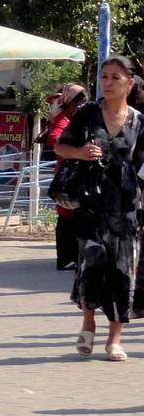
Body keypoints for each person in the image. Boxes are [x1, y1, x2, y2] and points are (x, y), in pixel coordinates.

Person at [55, 56, 144, 362]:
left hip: (127, 209)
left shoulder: (139, 122)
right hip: (91, 206)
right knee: (91, 264)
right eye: (104, 76)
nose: (106, 83)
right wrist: (80, 152)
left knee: (122, 272)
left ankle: (115, 339)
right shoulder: (87, 113)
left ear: (129, 84)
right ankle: (88, 323)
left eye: (114, 77)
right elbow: (60, 146)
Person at [42, 83, 88, 270]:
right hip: (69, 174)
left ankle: (72, 257)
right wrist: (76, 149)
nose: (82, 105)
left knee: (72, 215)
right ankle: (66, 258)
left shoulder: (72, 117)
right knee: (67, 215)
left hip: (73, 171)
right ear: (69, 103)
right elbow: (54, 139)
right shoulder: (63, 119)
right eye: (79, 101)